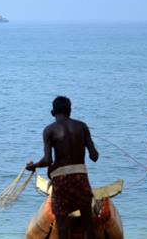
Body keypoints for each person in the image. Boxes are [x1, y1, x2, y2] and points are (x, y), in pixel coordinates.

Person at [26, 96, 99, 239]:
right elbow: (94, 156)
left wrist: (33, 166)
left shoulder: (49, 130)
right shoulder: (82, 126)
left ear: (52, 113)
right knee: (88, 223)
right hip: (80, 179)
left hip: (61, 181)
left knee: (62, 225)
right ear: (70, 111)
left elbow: (48, 160)